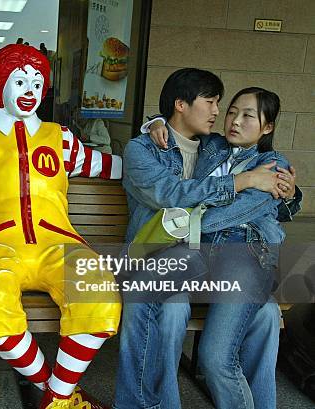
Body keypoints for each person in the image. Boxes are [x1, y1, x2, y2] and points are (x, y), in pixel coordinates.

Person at [0, 44, 123, 409]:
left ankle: (55, 399)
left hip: (60, 243)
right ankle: (57, 392)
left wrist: (160, 146)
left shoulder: (61, 139)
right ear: (0, 85)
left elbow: (115, 167)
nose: (29, 91)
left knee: (98, 290)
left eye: (36, 82)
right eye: (19, 81)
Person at [115, 68, 298, 409]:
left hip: (229, 255)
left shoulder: (238, 154)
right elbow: (172, 192)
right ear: (182, 104)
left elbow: (251, 195)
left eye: (241, 113)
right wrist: (155, 121)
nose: (223, 115)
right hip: (175, 253)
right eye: (218, 105)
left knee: (265, 317)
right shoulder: (174, 147)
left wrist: (288, 191)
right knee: (154, 299)